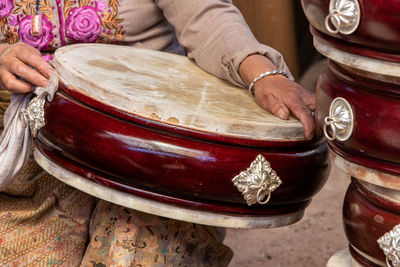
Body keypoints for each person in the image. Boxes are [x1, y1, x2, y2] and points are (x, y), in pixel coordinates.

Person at [0, 0, 318, 266]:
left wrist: (262, 73)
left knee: (135, 252)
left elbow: (205, 15)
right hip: (25, 147)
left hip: (154, 154)